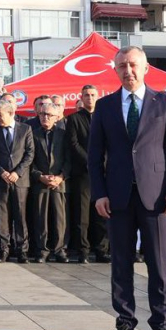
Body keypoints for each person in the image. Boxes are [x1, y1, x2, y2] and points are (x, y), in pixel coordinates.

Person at [89, 45, 166, 330]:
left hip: (156, 197)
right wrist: (99, 193)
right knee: (121, 264)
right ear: (115, 70)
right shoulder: (105, 106)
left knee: (159, 265)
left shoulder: (164, 103)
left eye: (133, 65)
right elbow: (94, 156)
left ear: (145, 68)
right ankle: (125, 325)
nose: (128, 71)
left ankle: (162, 328)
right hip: (117, 197)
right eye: (122, 66)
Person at [0, 98, 33, 263]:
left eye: (0, 114)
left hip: (20, 181)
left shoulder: (25, 129)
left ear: (11, 113)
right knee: (3, 217)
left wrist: (17, 173)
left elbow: (29, 154)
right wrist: (1, 172)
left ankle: (22, 251)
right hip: (1, 180)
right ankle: (4, 250)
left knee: (20, 216)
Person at [66, 85, 106, 264]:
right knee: (82, 215)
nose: (90, 98)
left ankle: (101, 250)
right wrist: (90, 162)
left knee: (102, 213)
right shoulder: (73, 119)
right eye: (86, 95)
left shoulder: (105, 117)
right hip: (83, 173)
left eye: (92, 95)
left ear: (97, 97)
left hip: (103, 172)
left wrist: (102, 163)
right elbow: (73, 144)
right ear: (81, 98)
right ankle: (83, 251)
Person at [29, 99, 70, 263]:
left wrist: (60, 177)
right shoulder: (32, 134)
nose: (45, 117)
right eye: (42, 114)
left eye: (48, 115)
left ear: (56, 117)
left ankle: (60, 250)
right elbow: (29, 160)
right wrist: (39, 176)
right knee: (41, 218)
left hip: (59, 182)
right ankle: (42, 250)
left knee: (60, 218)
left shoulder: (63, 134)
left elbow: (69, 159)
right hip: (40, 182)